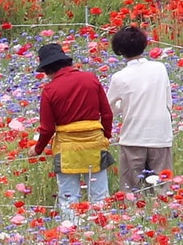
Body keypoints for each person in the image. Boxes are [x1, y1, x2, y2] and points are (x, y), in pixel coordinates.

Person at [32, 40, 112, 212]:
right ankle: (104, 232)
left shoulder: (50, 90)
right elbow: (107, 114)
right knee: (100, 196)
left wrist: (37, 149)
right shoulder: (90, 79)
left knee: (69, 197)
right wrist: (106, 136)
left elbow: (47, 128)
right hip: (95, 145)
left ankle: (70, 233)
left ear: (47, 69)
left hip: (67, 148)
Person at [107, 25, 172, 196]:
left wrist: (124, 107)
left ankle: (137, 219)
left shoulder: (120, 77)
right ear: (144, 44)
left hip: (133, 137)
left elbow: (109, 109)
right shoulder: (160, 68)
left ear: (120, 50)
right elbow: (168, 101)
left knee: (133, 190)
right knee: (162, 188)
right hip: (160, 135)